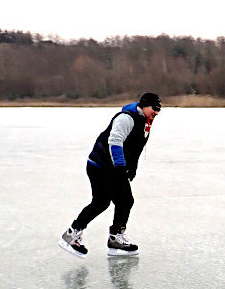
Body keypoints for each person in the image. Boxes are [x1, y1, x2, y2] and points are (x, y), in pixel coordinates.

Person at [59, 93, 161, 257]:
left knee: (125, 201)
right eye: (154, 108)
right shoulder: (126, 118)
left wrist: (132, 167)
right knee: (101, 202)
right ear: (144, 105)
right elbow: (115, 142)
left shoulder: (145, 123)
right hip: (100, 166)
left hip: (113, 168)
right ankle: (71, 235)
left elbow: (136, 148)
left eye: (159, 110)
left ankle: (115, 239)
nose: (157, 112)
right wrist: (121, 168)